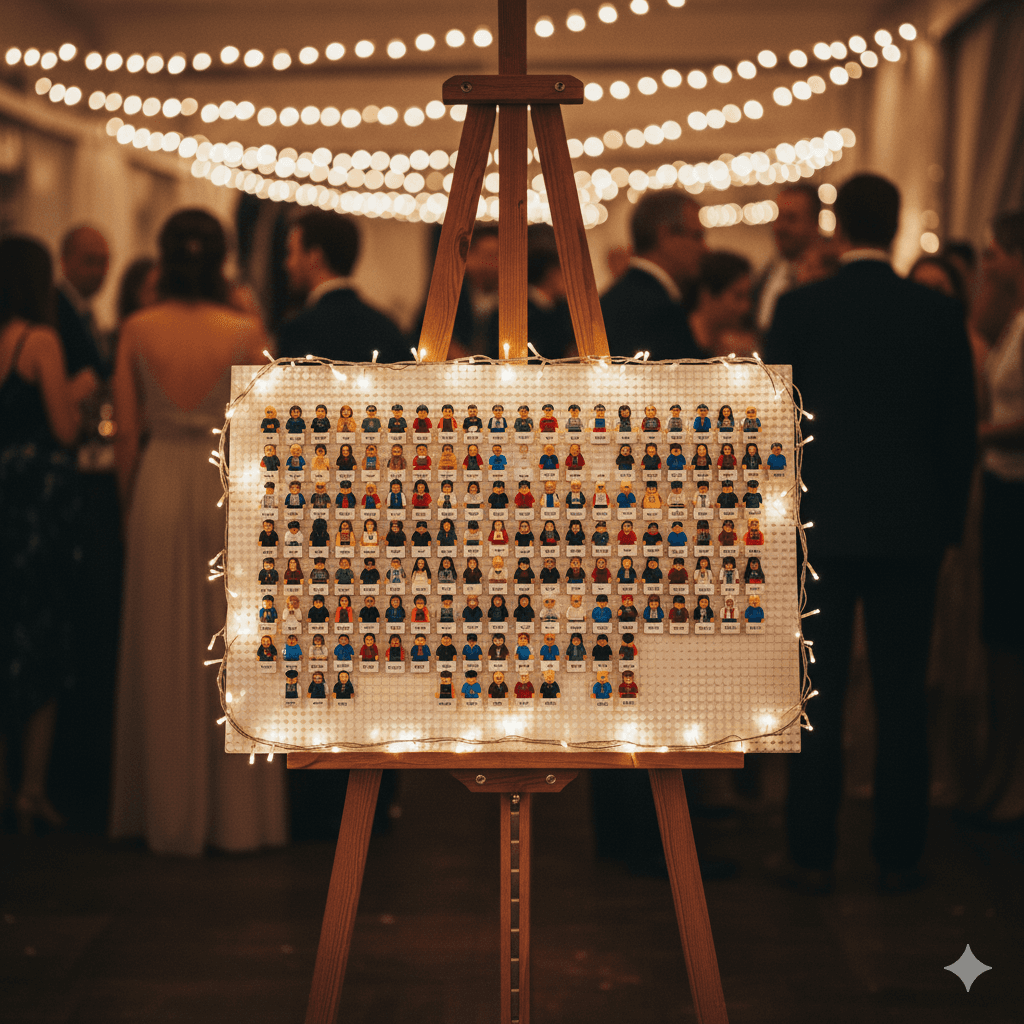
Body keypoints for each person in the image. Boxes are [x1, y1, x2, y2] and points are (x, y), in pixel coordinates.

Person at [765, 174, 976, 892]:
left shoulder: (799, 308)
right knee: (902, 695)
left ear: (840, 224)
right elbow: (957, 433)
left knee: (815, 696)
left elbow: (775, 427)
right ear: (894, 226)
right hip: (912, 529)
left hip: (820, 525)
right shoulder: (936, 313)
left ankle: (812, 848)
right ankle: (898, 852)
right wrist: (946, 524)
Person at [111, 209, 286, 856]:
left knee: (160, 640)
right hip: (225, 488)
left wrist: (131, 503)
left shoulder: (135, 327)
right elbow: (266, 435)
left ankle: (165, 813)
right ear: (221, 259)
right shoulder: (244, 330)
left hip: (159, 482)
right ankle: (235, 820)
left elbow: (126, 432)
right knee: (230, 646)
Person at [0, 236, 99, 833]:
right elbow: (64, 429)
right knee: (41, 638)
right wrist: (82, 394)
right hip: (35, 509)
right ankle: (31, 790)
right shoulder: (39, 341)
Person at [972, 211, 1024, 823]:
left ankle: (1014, 774)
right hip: (1000, 487)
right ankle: (1002, 763)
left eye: (994, 254)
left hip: (1017, 490)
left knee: (1012, 634)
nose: (986, 265)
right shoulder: (1009, 320)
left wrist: (979, 432)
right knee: (1001, 636)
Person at [276, 210, 405, 363]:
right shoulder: (388, 327)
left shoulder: (299, 330)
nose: (286, 264)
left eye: (291, 253)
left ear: (315, 256)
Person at [601, 191, 705, 361]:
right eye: (697, 236)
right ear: (664, 235)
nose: (704, 248)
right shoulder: (660, 311)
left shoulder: (612, 298)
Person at [486, 224, 574, 359]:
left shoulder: (562, 308)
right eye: (564, 272)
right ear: (550, 273)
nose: (570, 279)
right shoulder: (513, 310)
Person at [753, 183, 821, 333]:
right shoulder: (768, 271)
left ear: (814, 223)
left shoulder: (825, 275)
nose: (780, 227)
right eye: (779, 217)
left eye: (791, 219)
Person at [687, 251, 757, 357]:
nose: (746, 306)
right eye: (738, 296)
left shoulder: (736, 343)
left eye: (748, 296)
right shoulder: (676, 338)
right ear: (707, 295)